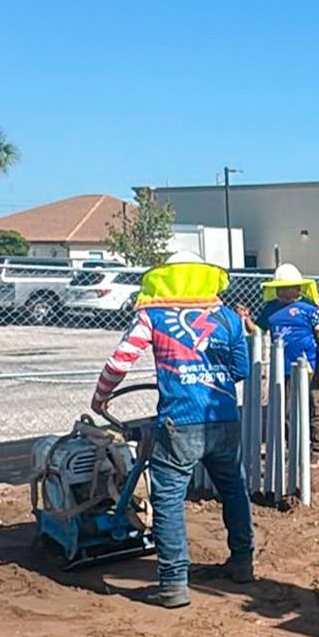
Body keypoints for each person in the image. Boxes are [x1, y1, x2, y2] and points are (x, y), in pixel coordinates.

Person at [91, 253, 254, 609]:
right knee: (233, 489)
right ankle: (243, 563)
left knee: (167, 500)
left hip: (180, 421)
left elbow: (120, 361)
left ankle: (173, 585)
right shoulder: (227, 317)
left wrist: (101, 398)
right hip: (224, 416)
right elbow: (241, 369)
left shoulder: (152, 316)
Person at [238, 262, 319, 467]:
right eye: (278, 288)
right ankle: (294, 447)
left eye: (284, 287)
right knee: (286, 410)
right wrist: (246, 320)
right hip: (283, 370)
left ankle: (317, 449)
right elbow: (258, 331)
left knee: (314, 407)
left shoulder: (312, 309)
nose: (280, 291)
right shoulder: (270, 310)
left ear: (297, 288)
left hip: (309, 368)